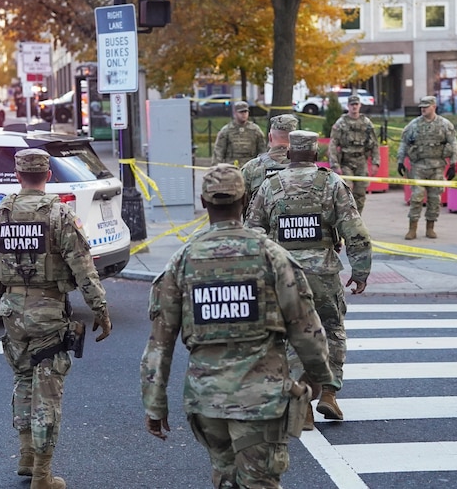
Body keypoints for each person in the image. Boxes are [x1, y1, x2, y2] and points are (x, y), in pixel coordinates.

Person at [141, 164, 335, 488]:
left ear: (204, 202)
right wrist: (319, 375)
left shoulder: (182, 260)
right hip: (261, 400)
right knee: (260, 482)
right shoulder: (271, 255)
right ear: (244, 200)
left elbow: (160, 342)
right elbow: (305, 327)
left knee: (225, 477)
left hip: (207, 401)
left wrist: (154, 402)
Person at [0, 148, 113, 489]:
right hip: (48, 312)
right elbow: (83, 267)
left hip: (12, 312)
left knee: (23, 380)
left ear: (17, 176)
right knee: (47, 390)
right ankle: (43, 475)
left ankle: (27, 457)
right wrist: (100, 309)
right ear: (48, 175)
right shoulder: (59, 215)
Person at [246, 130, 371, 427]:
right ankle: (329, 392)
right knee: (333, 330)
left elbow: (252, 231)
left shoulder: (270, 186)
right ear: (316, 155)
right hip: (323, 275)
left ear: (289, 154)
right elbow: (355, 231)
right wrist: (360, 270)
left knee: (289, 335)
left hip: (284, 275)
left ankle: (301, 399)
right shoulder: (332, 183)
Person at [396, 95, 457, 240]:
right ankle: (412, 228)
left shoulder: (444, 125)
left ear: (434, 107)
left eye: (426, 107)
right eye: (421, 107)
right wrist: (400, 161)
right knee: (416, 197)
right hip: (418, 166)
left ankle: (430, 227)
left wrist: (453, 163)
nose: (423, 109)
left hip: (437, 167)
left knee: (434, 198)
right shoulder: (413, 125)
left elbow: (453, 144)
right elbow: (404, 143)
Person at [329, 94, 380, 211]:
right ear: (348, 106)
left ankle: (358, 218)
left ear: (360, 105)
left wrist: (376, 162)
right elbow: (333, 144)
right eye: (352, 105)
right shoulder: (341, 123)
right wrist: (335, 164)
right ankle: (347, 218)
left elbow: (374, 144)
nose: (354, 107)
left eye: (356, 104)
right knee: (346, 192)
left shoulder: (366, 123)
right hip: (346, 162)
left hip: (361, 162)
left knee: (360, 194)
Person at [240, 114, 299, 208]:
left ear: (270, 137)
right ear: (295, 139)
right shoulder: (306, 167)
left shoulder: (250, 168)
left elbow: (240, 204)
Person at [213, 101, 267, 165]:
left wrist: (262, 165)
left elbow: (262, 150)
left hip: (251, 166)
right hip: (231, 166)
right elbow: (219, 151)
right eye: (241, 112)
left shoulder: (255, 130)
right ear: (235, 113)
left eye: (245, 112)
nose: (244, 114)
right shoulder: (226, 130)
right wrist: (216, 167)